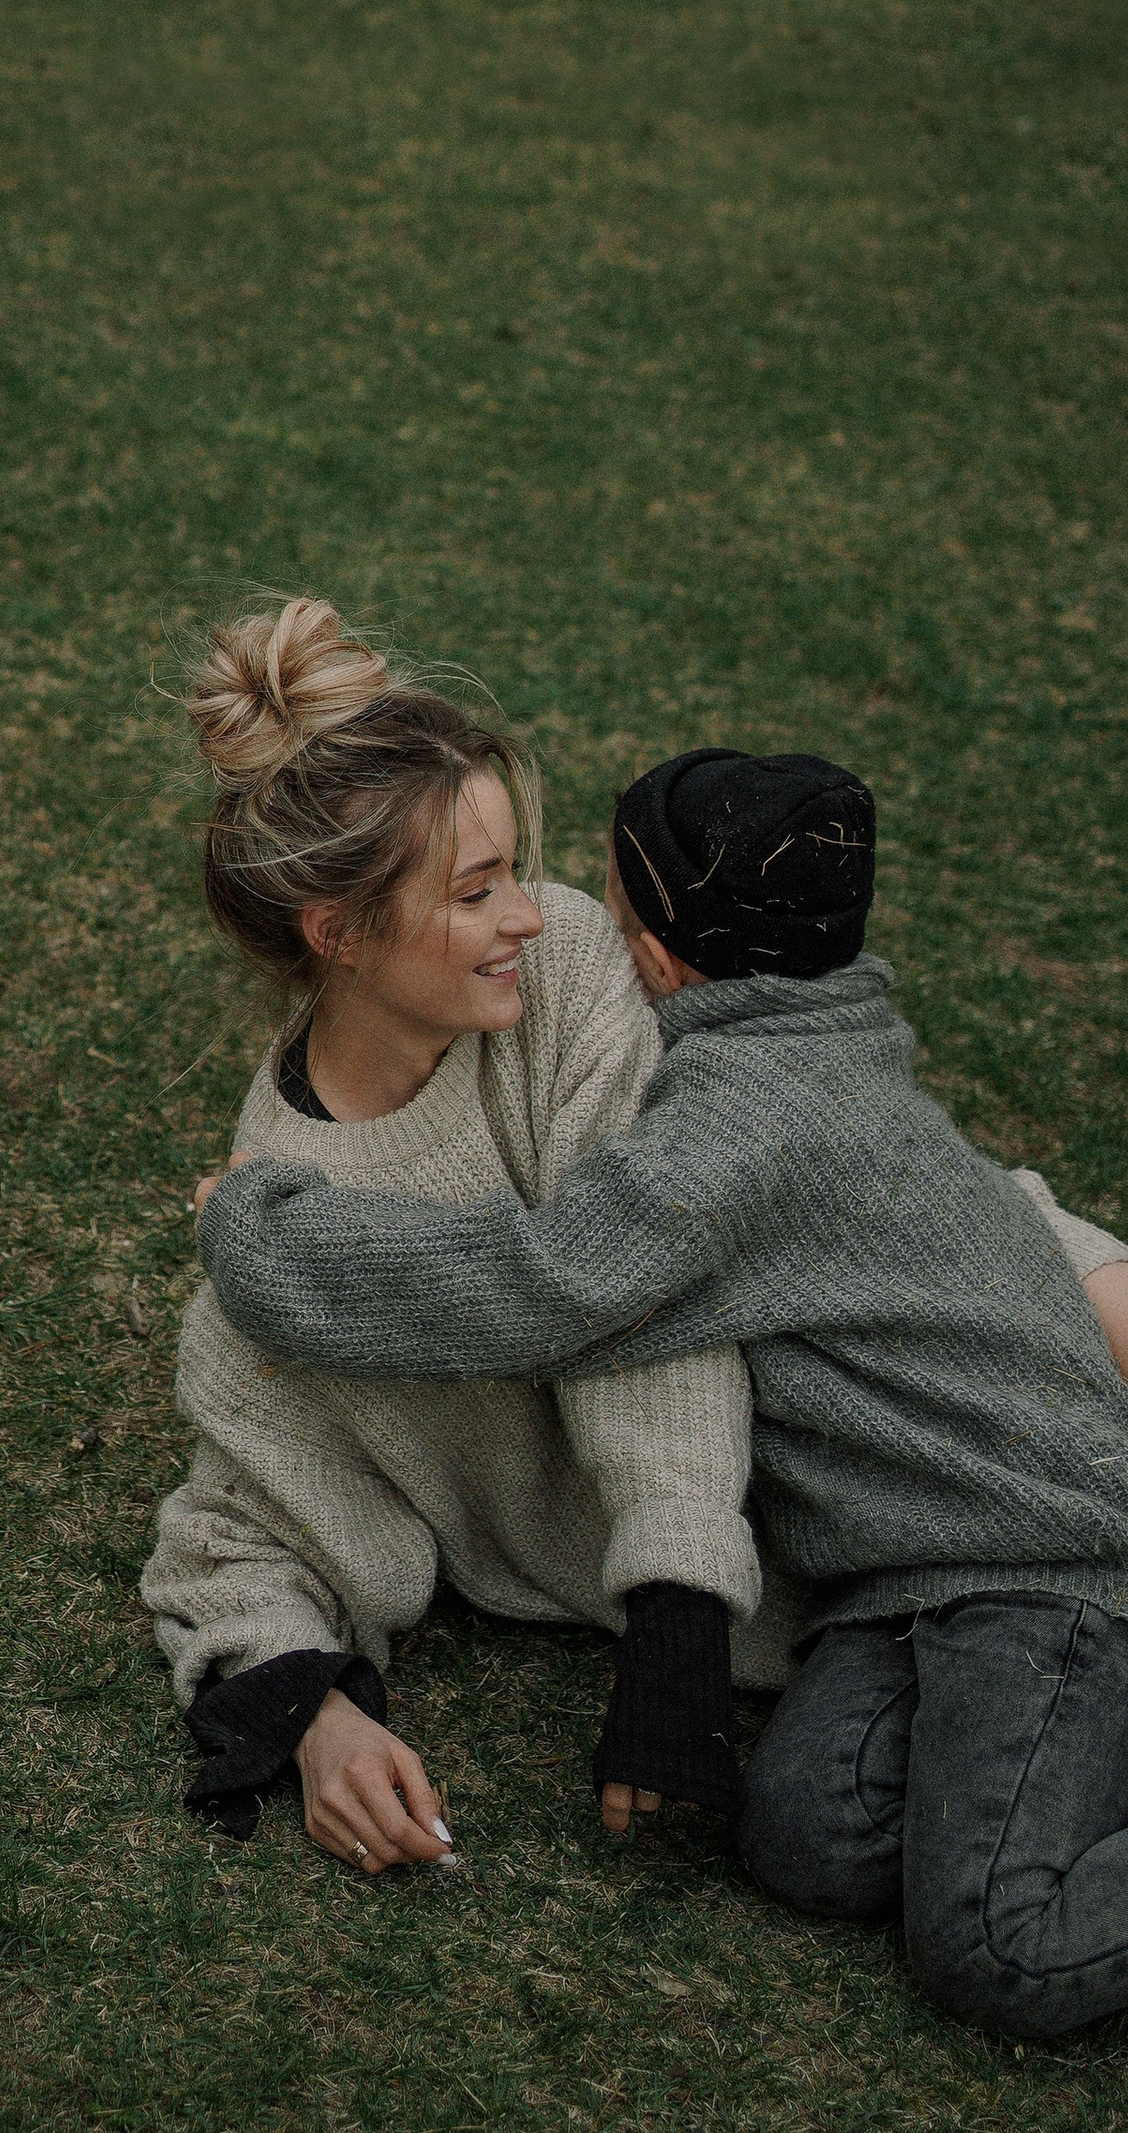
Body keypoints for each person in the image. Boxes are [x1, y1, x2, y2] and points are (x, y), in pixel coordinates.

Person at [195, 740, 1128, 2040]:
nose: (545, 919)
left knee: (993, 1944)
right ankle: (1088, 1744)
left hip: (1036, 1537)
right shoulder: (809, 1030)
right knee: (805, 1838)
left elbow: (555, 1282)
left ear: (661, 955)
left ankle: (1114, 1753)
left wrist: (265, 1240)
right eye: (483, 886)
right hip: (902, 1555)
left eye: (584, 893)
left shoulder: (715, 1117)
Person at [143, 603, 794, 1877]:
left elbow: (646, 1277)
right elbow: (234, 1525)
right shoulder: (286, 1226)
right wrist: (320, 1722)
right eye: (475, 891)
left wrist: (675, 1622)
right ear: (338, 933)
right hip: (827, 1521)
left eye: (513, 871)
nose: (528, 916)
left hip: (861, 1323)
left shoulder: (567, 972)